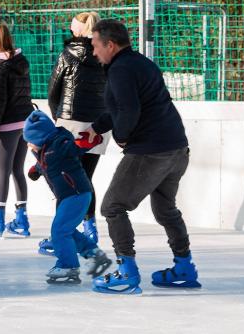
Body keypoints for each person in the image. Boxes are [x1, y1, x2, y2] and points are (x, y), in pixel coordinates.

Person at [83, 20, 201, 294]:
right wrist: (96, 127)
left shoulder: (120, 70)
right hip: (176, 147)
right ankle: (184, 266)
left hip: (151, 151)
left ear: (110, 45)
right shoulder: (139, 63)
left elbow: (129, 110)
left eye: (96, 46)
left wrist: (122, 135)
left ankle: (127, 271)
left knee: (112, 206)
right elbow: (125, 107)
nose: (94, 52)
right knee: (165, 208)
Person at [23, 110, 112, 284]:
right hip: (69, 195)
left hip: (77, 194)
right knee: (67, 230)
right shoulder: (45, 150)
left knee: (59, 230)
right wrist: (36, 169)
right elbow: (47, 163)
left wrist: (89, 141)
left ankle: (68, 266)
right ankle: (96, 257)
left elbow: (75, 146)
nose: (29, 146)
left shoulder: (59, 144)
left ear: (40, 137)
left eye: (30, 141)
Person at [46, 11, 110, 247]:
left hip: (70, 122)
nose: (71, 29)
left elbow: (53, 91)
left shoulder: (67, 53)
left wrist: (58, 119)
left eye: (73, 27)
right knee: (86, 178)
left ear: (80, 30)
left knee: (65, 180)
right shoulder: (105, 55)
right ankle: (90, 228)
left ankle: (60, 234)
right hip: (99, 125)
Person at [0, 23, 35, 238]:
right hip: (24, 122)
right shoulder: (21, 63)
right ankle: (22, 219)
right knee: (17, 170)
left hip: (8, 125)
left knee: (3, 170)